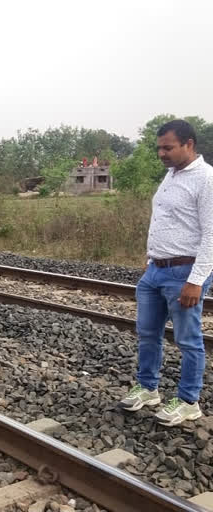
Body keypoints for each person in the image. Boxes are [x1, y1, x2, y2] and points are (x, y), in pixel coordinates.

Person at [119, 120, 213, 426]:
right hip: (156, 270)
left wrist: (195, 281)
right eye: (159, 147)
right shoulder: (171, 175)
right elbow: (166, 218)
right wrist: (151, 258)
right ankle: (148, 388)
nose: (161, 153)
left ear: (189, 144)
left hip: (184, 271)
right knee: (147, 333)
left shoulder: (206, 179)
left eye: (168, 147)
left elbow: (211, 234)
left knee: (188, 340)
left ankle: (188, 401)